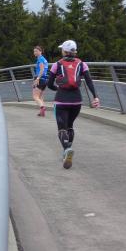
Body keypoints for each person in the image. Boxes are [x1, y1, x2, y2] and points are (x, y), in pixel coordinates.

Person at [46, 40, 100, 169]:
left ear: (64, 51)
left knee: (62, 129)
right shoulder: (82, 64)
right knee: (70, 126)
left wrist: (57, 89)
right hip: (76, 101)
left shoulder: (57, 64)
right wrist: (95, 96)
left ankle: (67, 149)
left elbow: (49, 84)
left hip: (61, 100)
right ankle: (67, 150)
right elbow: (89, 81)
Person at [32, 46, 49, 117]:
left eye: (36, 51)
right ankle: (42, 112)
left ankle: (42, 107)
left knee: (35, 96)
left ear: (40, 51)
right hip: (45, 79)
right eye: (34, 51)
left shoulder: (40, 59)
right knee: (40, 96)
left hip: (40, 79)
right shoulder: (44, 59)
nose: (35, 52)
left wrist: (37, 78)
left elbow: (42, 69)